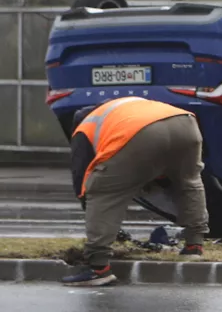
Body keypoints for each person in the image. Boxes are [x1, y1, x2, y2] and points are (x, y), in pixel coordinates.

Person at [61, 97, 210, 286]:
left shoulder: (85, 127)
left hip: (142, 132)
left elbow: (81, 176)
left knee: (102, 189)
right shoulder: (123, 107)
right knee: (189, 182)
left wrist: (89, 205)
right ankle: (194, 245)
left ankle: (98, 268)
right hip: (185, 123)